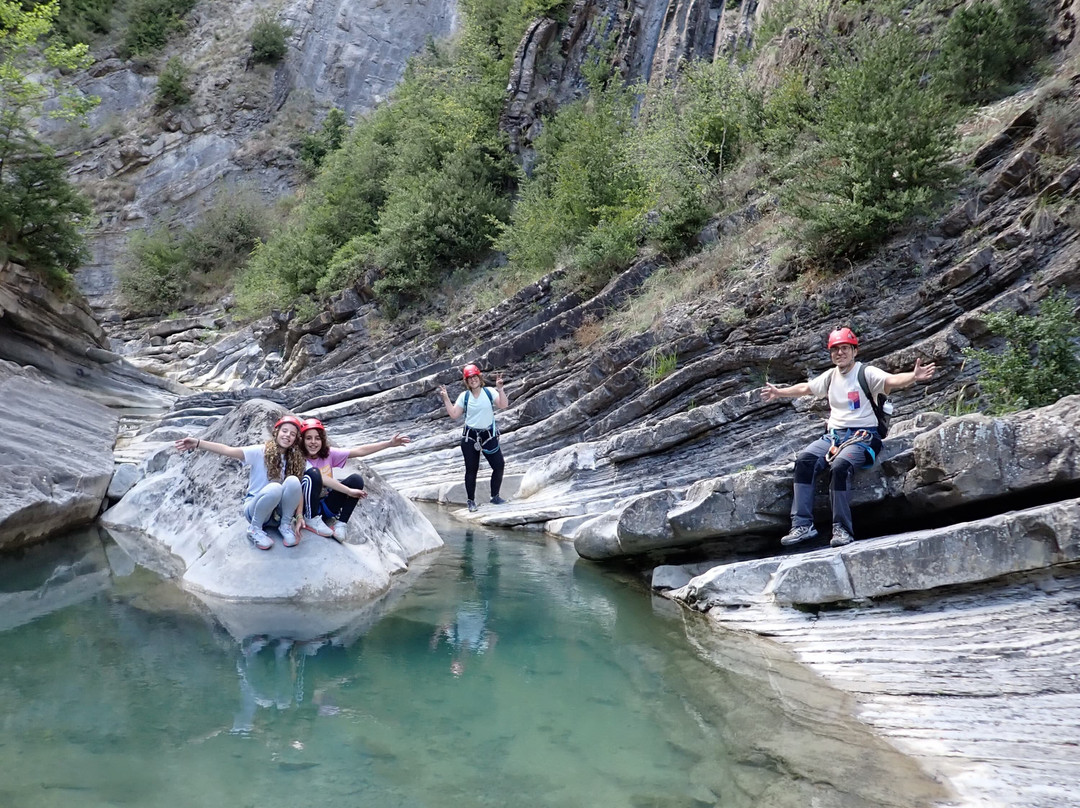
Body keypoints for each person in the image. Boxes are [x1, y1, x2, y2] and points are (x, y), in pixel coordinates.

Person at [760, 327, 936, 548]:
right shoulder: (831, 377)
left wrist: (913, 376)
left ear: (854, 351)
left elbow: (891, 381)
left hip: (864, 435)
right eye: (835, 349)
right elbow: (806, 388)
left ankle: (841, 529)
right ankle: (802, 525)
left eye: (844, 348)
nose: (839, 353)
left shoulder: (866, 373)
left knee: (841, 466)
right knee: (804, 460)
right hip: (833, 436)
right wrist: (779, 392)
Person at [173, 415, 308, 550]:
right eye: (284, 431)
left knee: (293, 481)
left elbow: (296, 490)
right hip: (256, 508)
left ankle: (284, 525)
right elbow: (228, 450)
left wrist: (299, 515)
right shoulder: (260, 451)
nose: (287, 436)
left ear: (296, 439)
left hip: (276, 513)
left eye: (292, 434)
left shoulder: (294, 459)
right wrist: (198, 443)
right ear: (276, 432)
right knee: (275, 488)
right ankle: (255, 528)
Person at [297, 417, 411, 542]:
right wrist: (348, 491)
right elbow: (322, 478)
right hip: (308, 508)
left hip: (326, 506)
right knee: (314, 474)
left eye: (317, 438)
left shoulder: (327, 453)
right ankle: (311, 519)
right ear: (302, 440)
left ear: (322, 440)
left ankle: (341, 525)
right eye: (309, 438)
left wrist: (389, 444)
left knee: (356, 480)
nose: (313, 442)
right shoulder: (298, 458)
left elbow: (359, 451)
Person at [438, 364, 510, 513]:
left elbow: (503, 405)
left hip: (488, 436)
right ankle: (471, 501)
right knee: (472, 470)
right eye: (469, 378)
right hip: (470, 438)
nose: (473, 380)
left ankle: (495, 496)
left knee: (499, 465)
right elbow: (453, 414)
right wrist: (445, 398)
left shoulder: (489, 392)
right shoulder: (464, 396)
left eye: (475, 377)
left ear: (479, 377)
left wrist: (500, 389)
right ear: (467, 381)